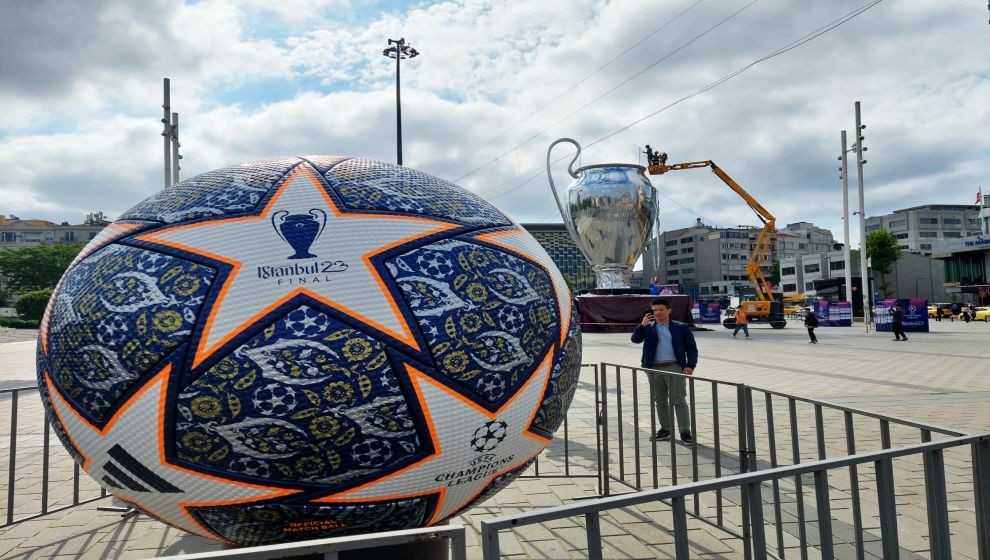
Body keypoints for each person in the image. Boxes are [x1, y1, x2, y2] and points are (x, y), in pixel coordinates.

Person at [631, 298, 699, 443]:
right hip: (653, 368)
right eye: (654, 310)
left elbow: (691, 348)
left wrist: (690, 365)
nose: (657, 313)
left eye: (661, 309)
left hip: (674, 367)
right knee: (660, 400)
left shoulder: (681, 327)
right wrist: (642, 326)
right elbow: (635, 340)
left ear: (669, 311)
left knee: (679, 400)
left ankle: (685, 432)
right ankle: (666, 429)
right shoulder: (648, 327)